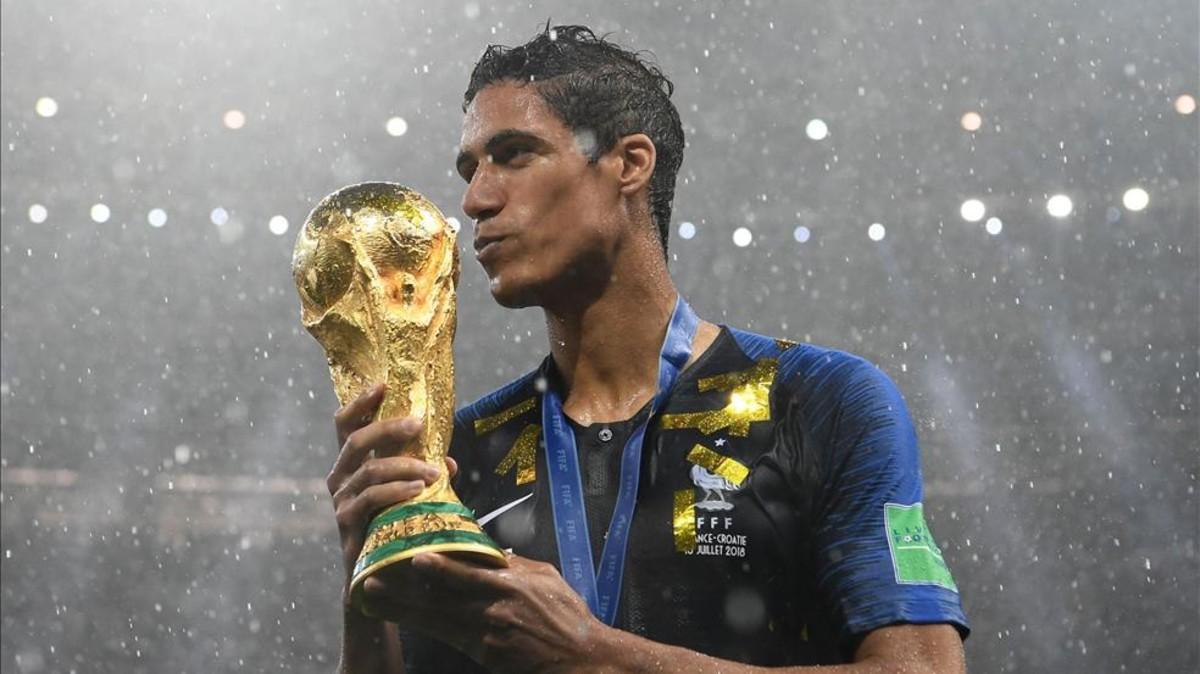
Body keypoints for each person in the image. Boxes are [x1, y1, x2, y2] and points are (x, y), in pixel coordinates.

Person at [325, 24, 969, 673]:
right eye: (470, 170)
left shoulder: (819, 401)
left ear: (629, 164)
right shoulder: (457, 453)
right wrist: (363, 577)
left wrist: (593, 656)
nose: (475, 200)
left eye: (514, 155)